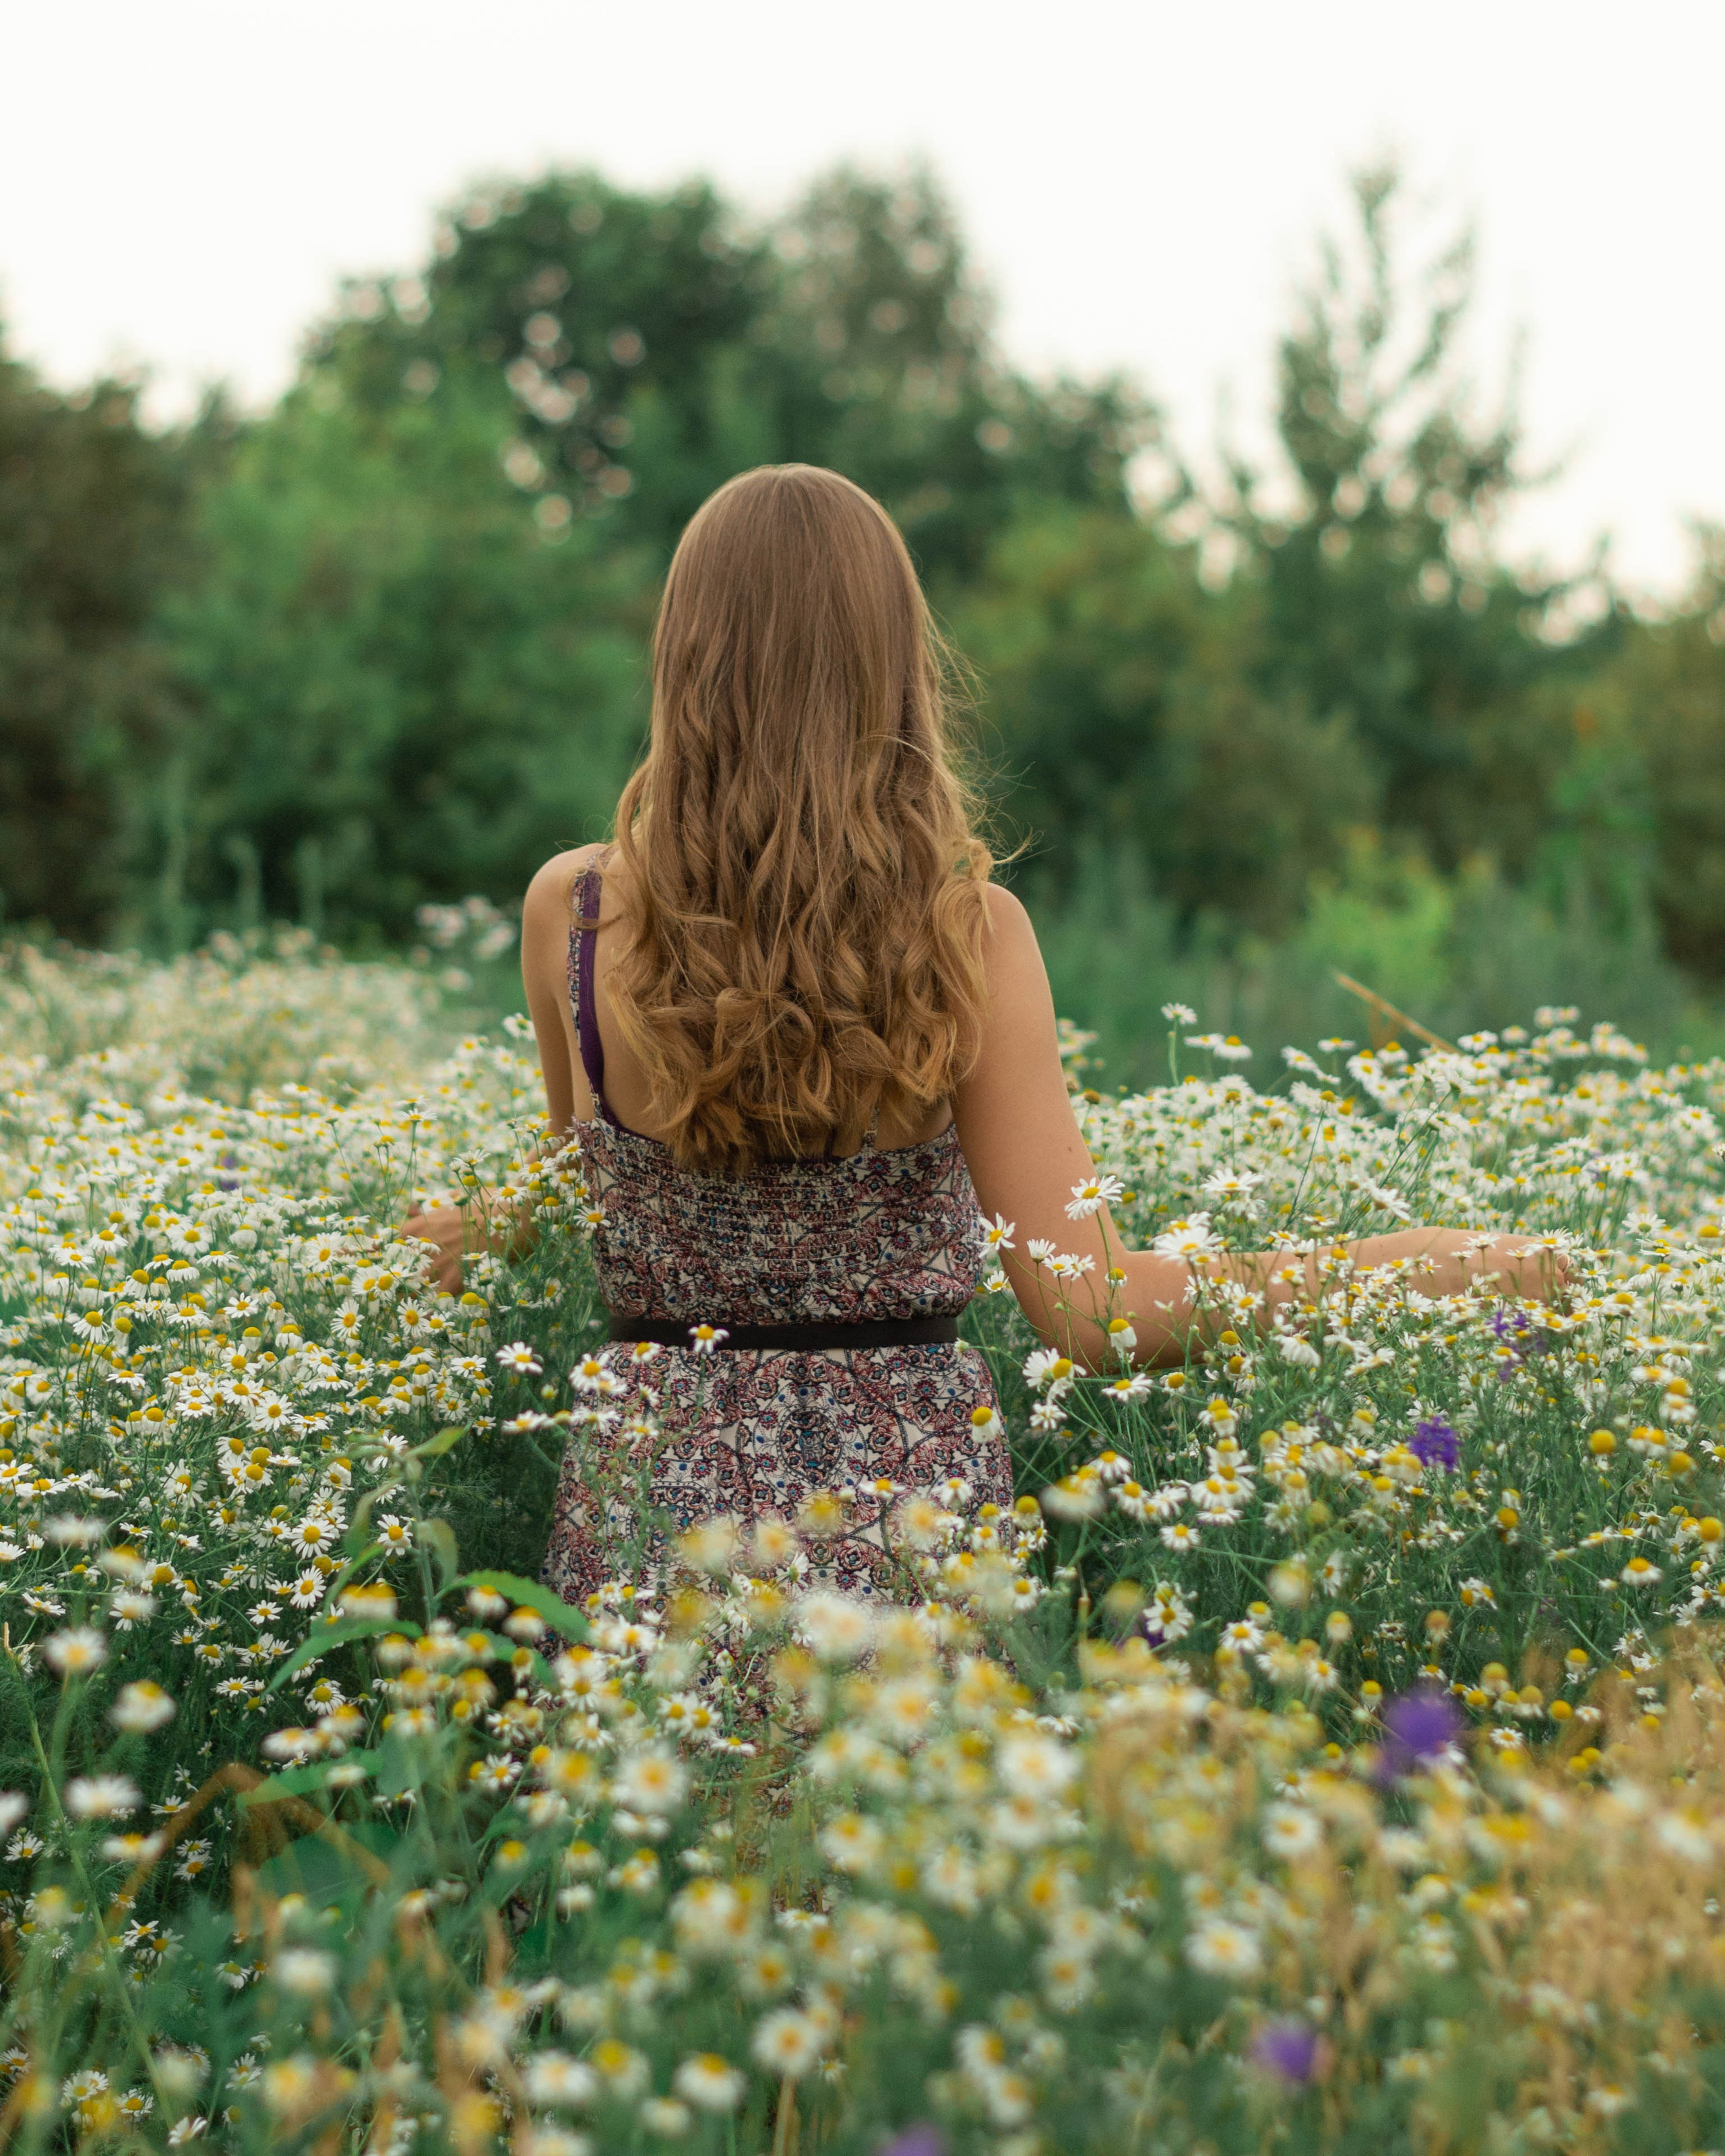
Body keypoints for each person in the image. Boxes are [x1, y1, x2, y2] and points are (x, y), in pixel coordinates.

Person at [403, 464, 1563, 1600]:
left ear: (683, 660)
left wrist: (485, 1227)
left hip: (651, 1538)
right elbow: (1096, 1313)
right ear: (891, 668)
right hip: (900, 1539)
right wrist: (1405, 1268)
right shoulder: (967, 935)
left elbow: (586, 1155)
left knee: (643, 1741)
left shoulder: (575, 911)